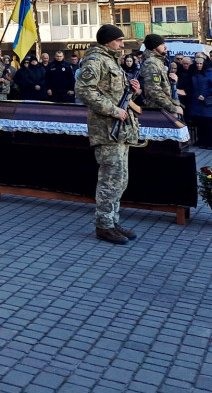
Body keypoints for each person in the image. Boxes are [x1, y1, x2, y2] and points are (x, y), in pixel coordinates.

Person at [75, 24, 141, 246]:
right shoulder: (95, 60)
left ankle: (113, 221)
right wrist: (114, 110)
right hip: (106, 129)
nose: (122, 45)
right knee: (109, 179)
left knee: (120, 179)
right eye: (119, 40)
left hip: (120, 130)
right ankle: (103, 226)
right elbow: (84, 90)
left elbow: (112, 92)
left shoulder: (112, 61)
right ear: (107, 41)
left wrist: (132, 89)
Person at [138, 35, 182, 117]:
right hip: (158, 111)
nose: (165, 47)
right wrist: (173, 108)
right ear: (154, 48)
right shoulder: (151, 63)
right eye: (162, 44)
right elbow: (154, 90)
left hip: (164, 109)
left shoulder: (159, 61)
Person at [188, 54, 212, 149]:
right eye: (197, 63)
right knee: (201, 124)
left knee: (210, 124)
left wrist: (205, 95)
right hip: (197, 103)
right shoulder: (195, 74)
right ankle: (203, 142)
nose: (199, 65)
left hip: (208, 103)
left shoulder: (210, 74)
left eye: (201, 63)